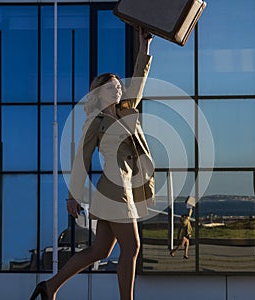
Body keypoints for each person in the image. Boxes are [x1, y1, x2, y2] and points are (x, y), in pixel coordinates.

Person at [30, 27, 154, 300]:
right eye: (111, 87)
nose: (118, 89)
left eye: (119, 85)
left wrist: (144, 47)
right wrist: (72, 196)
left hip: (122, 188)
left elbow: (140, 78)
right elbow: (81, 161)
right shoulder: (94, 122)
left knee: (100, 251)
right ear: (99, 93)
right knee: (131, 248)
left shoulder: (127, 110)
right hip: (114, 190)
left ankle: (50, 287)